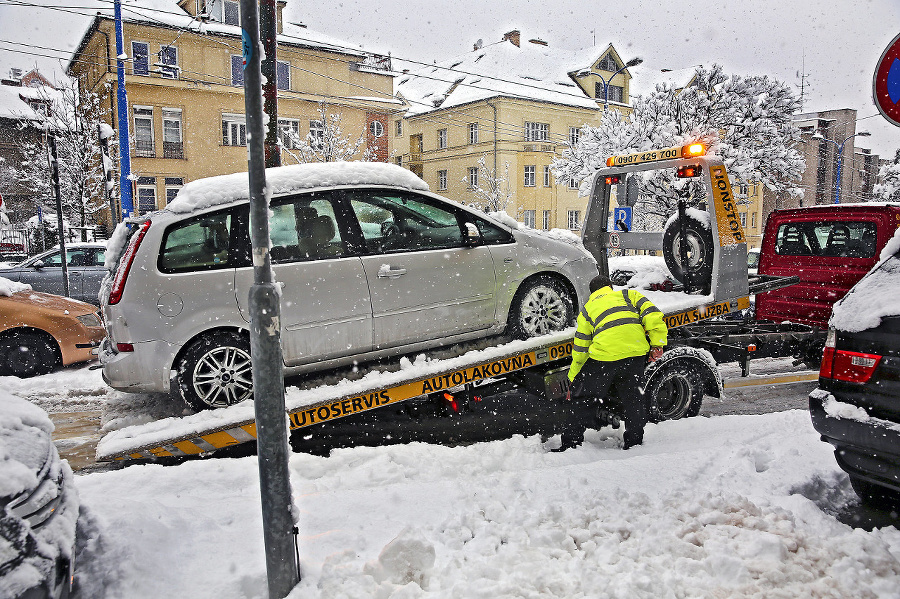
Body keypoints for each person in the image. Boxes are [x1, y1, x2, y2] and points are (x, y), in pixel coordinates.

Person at [554, 274, 667, 451]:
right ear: (610, 287)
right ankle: (634, 441)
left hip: (604, 359)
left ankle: (570, 444)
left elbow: (581, 347)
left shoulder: (588, 309)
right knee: (633, 399)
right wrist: (657, 344)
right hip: (635, 353)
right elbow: (653, 315)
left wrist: (573, 380)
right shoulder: (629, 296)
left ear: (592, 292)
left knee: (582, 400)